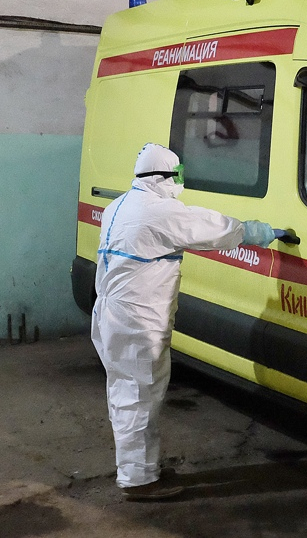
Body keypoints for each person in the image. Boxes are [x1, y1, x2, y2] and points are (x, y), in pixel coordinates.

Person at [91, 143, 282, 501]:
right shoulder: (160, 211)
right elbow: (211, 228)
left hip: (111, 313)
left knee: (125, 394)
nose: (180, 181)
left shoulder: (119, 205)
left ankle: (140, 469)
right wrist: (252, 231)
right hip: (137, 319)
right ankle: (138, 481)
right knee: (138, 397)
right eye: (177, 175)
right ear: (163, 177)